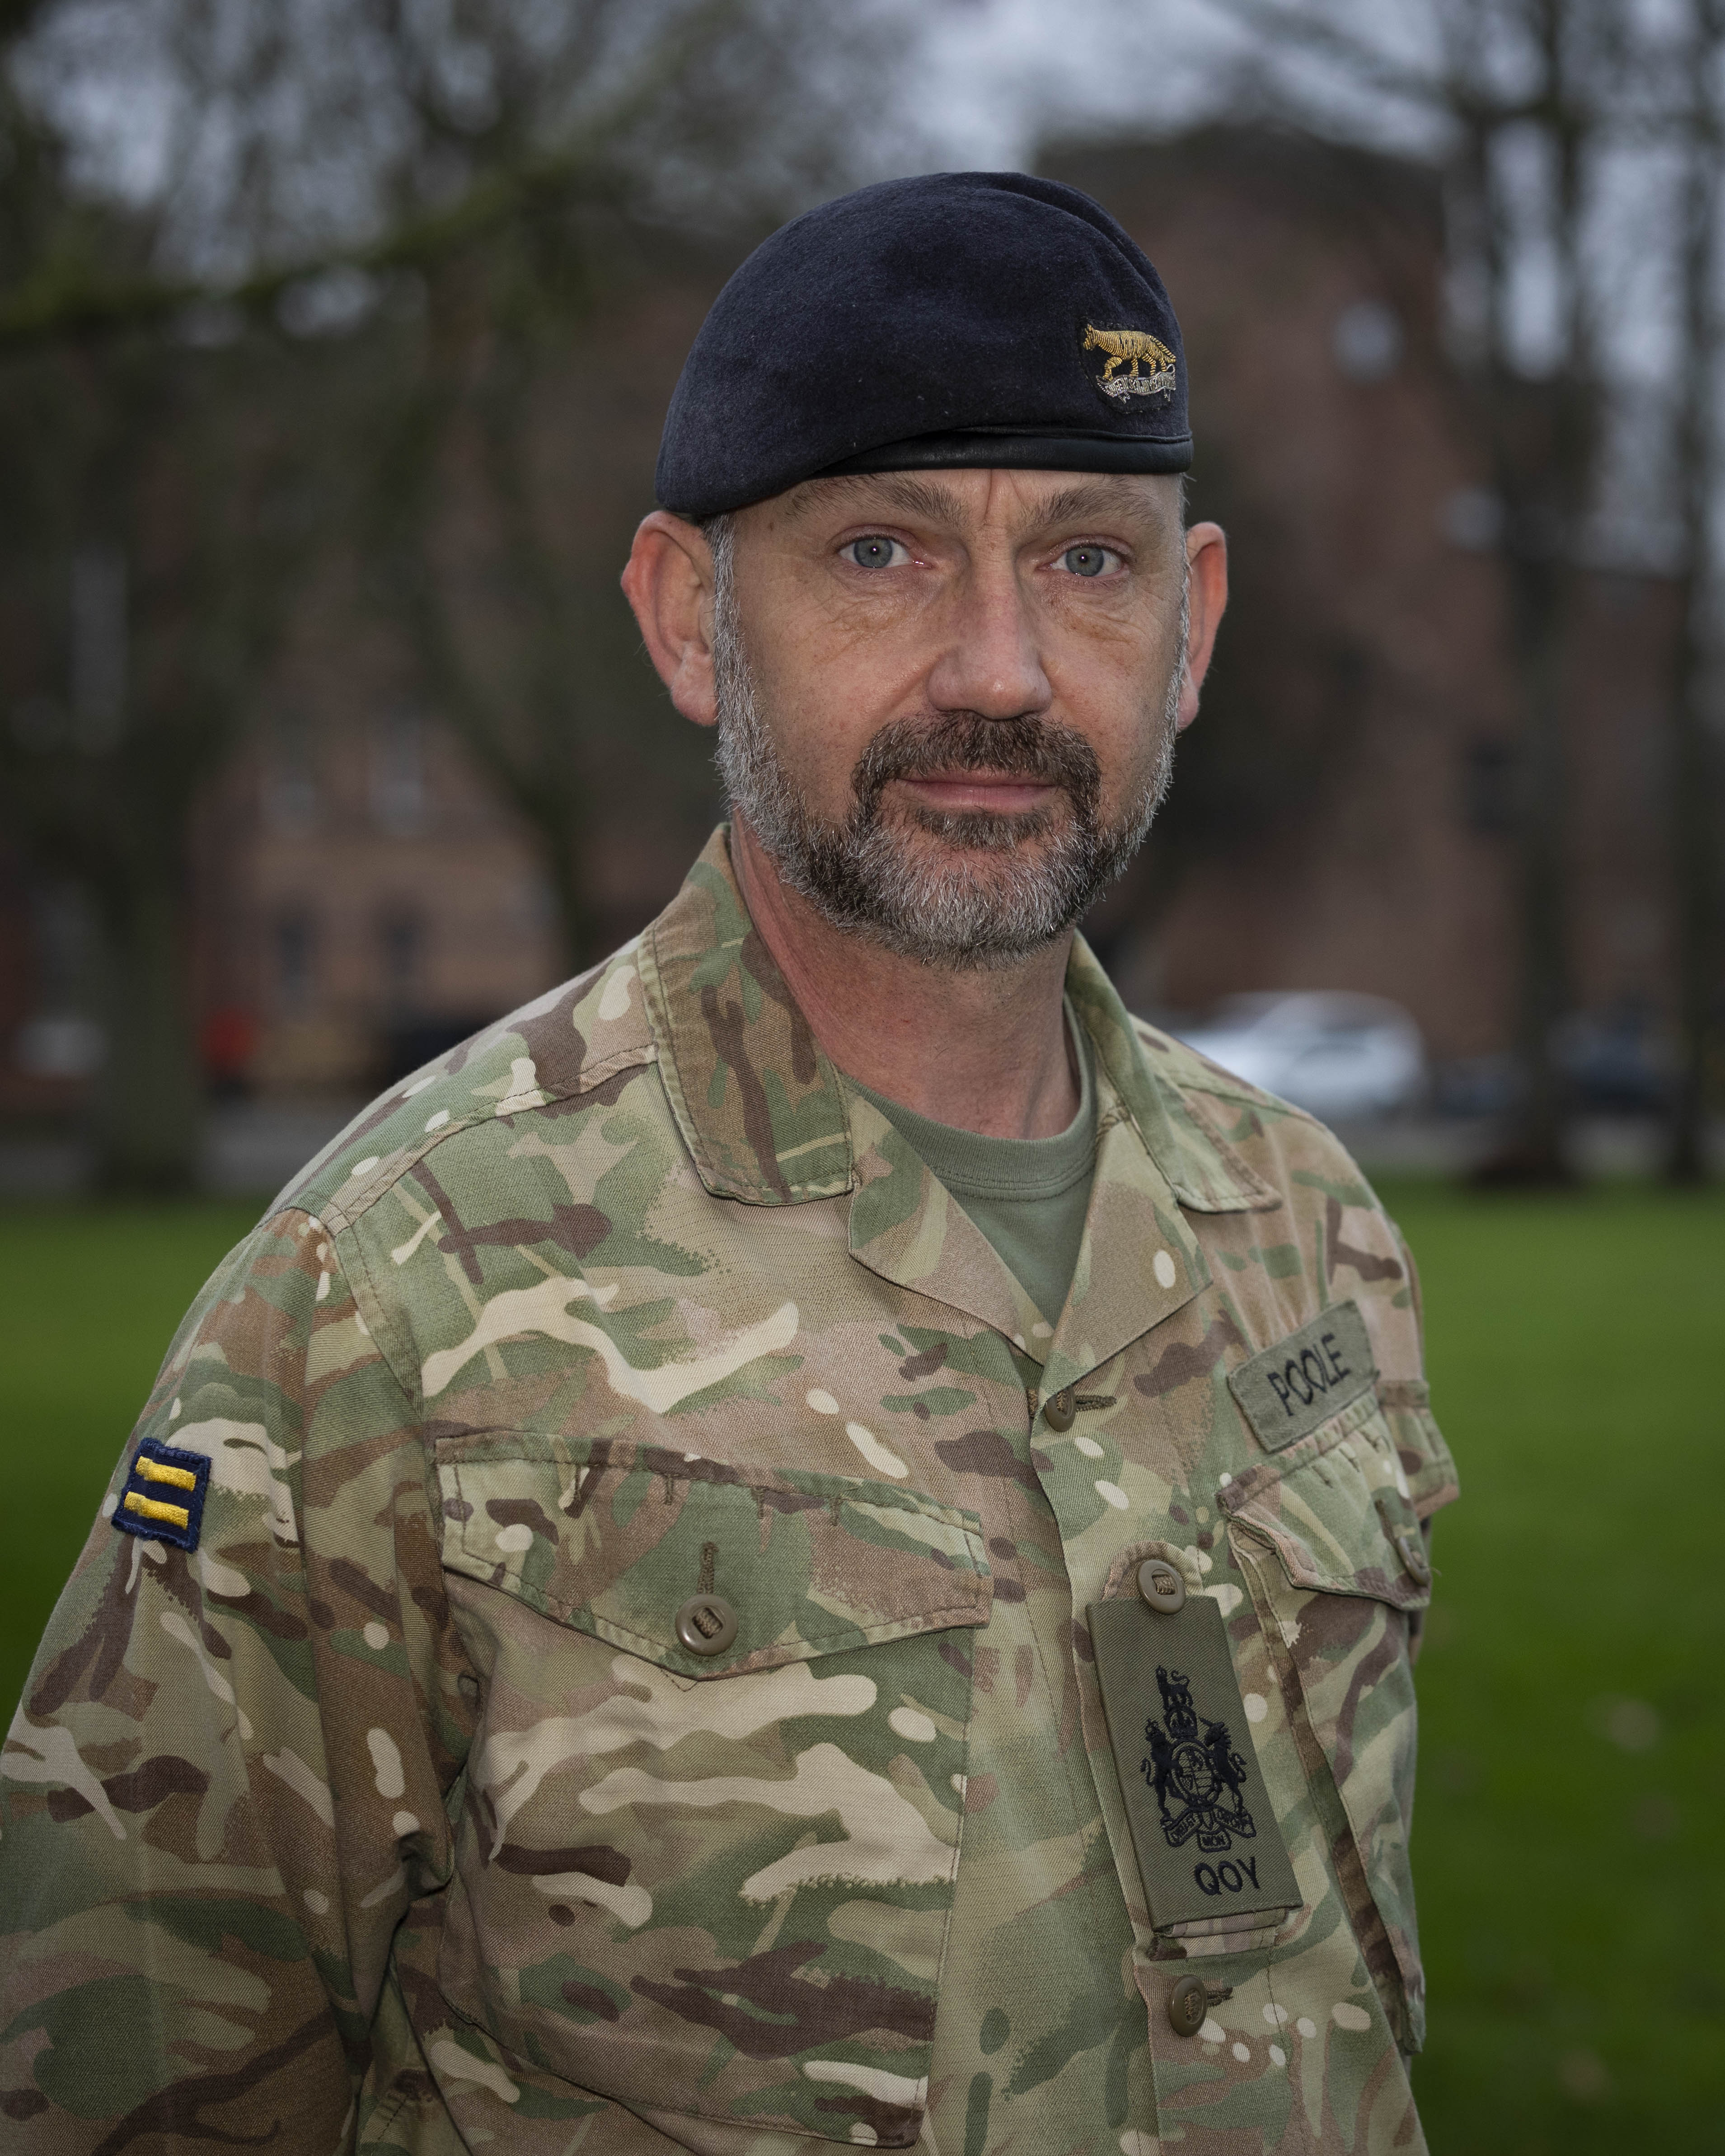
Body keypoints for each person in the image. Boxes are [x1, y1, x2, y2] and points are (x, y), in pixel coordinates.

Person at [0, 173, 1456, 2155]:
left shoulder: (1314, 1241)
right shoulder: (395, 1294)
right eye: (883, 551)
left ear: (1190, 626)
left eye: (1089, 562)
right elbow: (126, 2073)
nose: (1005, 671)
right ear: (692, 619)